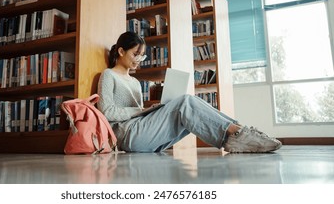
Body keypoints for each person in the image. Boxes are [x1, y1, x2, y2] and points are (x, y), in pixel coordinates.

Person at [97, 31, 282, 153]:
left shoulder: (136, 82)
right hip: (127, 135)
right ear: (121, 51)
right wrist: (142, 111)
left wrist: (152, 110)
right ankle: (238, 134)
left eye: (142, 55)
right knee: (185, 103)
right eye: (135, 54)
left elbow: (138, 114)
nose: (139, 59)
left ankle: (237, 132)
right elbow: (106, 112)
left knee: (189, 110)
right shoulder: (108, 75)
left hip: (142, 131)